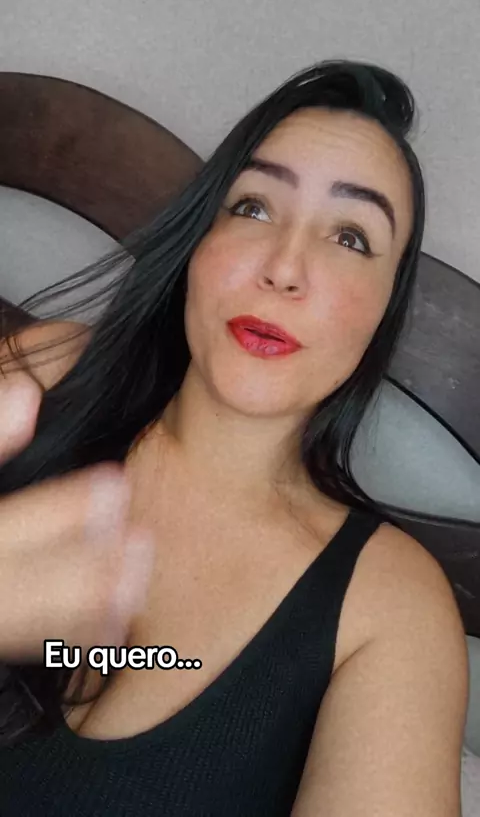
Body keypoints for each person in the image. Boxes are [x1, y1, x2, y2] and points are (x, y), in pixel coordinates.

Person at [0, 60, 469, 816]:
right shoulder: (44, 373)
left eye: (351, 237)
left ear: (385, 312)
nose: (284, 268)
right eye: (253, 207)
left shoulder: (389, 605)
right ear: (198, 244)